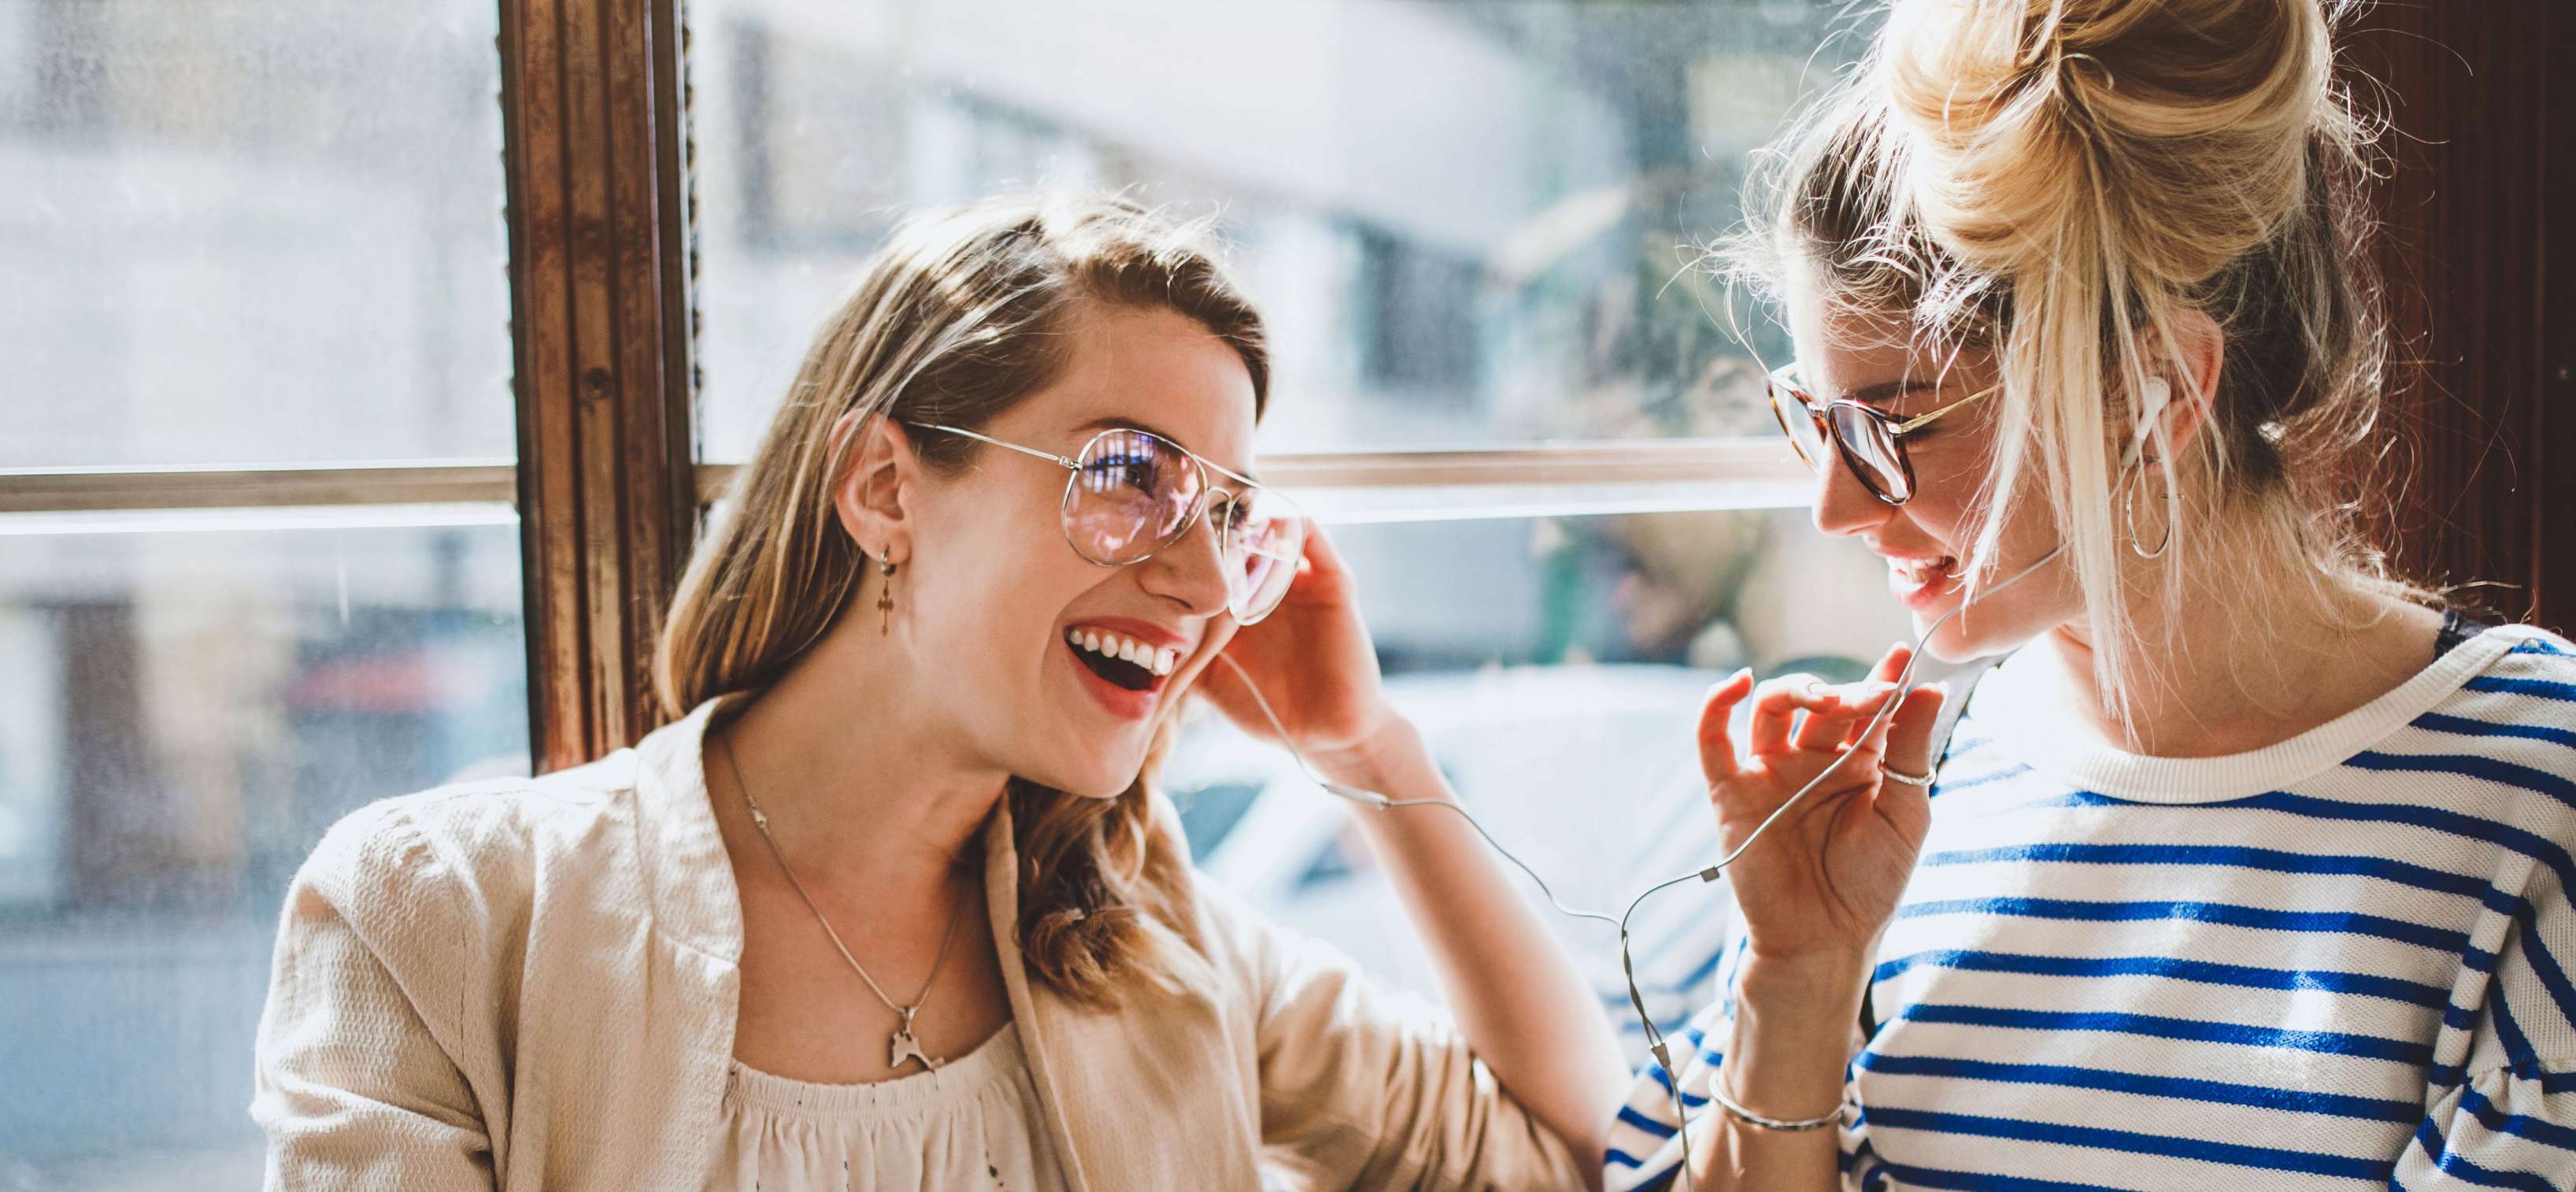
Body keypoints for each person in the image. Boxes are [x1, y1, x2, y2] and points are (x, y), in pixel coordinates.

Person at [252, 194, 1626, 1190]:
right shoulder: (442, 921)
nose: (1206, 584)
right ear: (885, 487)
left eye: (1228, 517)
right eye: (1127, 474)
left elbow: (1557, 1148)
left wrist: (1361, 742)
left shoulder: (1150, 940)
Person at [1604, 0, 2576, 1187]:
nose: (1835, 509)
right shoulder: (1903, 811)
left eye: (1887, 428)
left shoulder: (2566, 812)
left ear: (2151, 398)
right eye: (1817, 420)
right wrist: (1794, 981)